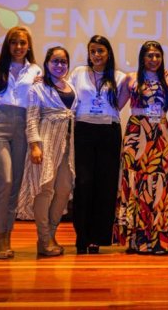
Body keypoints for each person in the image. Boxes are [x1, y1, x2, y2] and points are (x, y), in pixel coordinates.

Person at [116, 41, 168, 255]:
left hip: (160, 134)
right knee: (136, 183)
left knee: (159, 184)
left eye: (157, 56)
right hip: (136, 133)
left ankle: (159, 240)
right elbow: (116, 105)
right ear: (142, 57)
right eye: (150, 55)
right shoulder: (131, 78)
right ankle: (137, 239)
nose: (154, 60)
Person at [16, 47, 77, 256]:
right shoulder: (38, 88)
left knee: (63, 191)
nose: (59, 65)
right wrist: (34, 145)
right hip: (46, 143)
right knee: (45, 190)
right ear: (47, 63)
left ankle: (51, 234)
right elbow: (32, 117)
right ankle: (43, 238)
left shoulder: (71, 85)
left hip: (68, 148)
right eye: (55, 61)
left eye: (63, 61)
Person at [0, 26, 42, 259]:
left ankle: (6, 235)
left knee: (15, 185)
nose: (18, 47)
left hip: (22, 126)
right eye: (14, 42)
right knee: (5, 181)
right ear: (7, 45)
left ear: (28, 45)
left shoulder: (36, 70)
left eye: (22, 43)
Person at [70, 35, 125, 254]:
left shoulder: (119, 77)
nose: (96, 55)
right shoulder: (78, 73)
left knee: (106, 185)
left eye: (100, 51)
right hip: (84, 128)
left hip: (109, 130)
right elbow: (64, 92)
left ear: (108, 53)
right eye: (93, 51)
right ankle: (82, 236)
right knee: (84, 182)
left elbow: (119, 105)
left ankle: (98, 237)